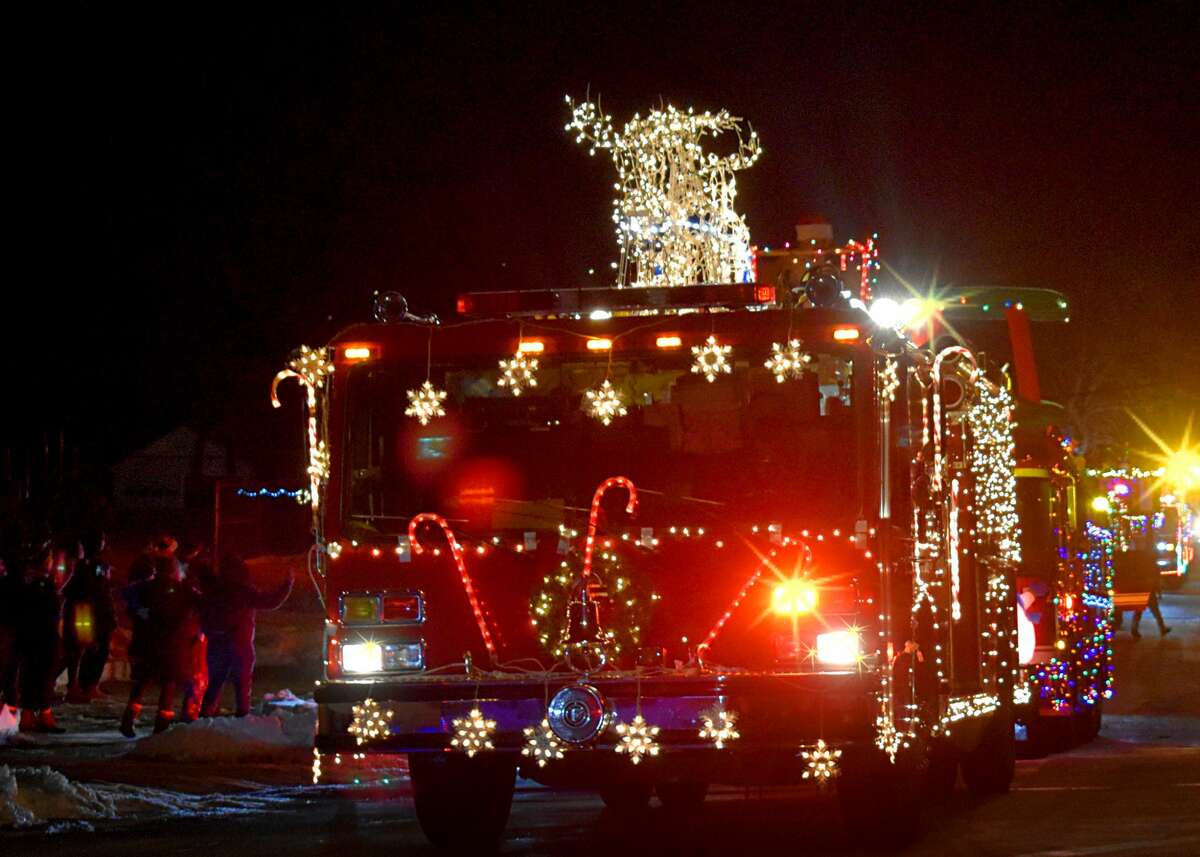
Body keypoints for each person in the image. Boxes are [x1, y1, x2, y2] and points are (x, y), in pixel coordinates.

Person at [119, 555, 204, 736]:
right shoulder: (184, 589)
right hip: (173, 646)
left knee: (142, 682)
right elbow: (202, 603)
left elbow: (126, 594)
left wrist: (138, 610)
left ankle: (128, 719)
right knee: (169, 686)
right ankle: (161, 727)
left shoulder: (145, 587)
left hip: (147, 644)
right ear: (175, 570)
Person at [200, 556, 294, 717]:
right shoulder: (244, 591)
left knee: (215, 682)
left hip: (217, 643)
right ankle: (242, 716)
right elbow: (272, 601)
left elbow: (203, 613)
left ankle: (205, 715)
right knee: (242, 684)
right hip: (240, 644)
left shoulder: (213, 590)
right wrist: (288, 584)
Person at [16, 543, 68, 733]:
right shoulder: (43, 586)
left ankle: (29, 717)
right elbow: (51, 611)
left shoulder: (27, 585)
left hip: (30, 638)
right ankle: (43, 717)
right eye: (50, 559)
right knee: (44, 677)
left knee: (31, 676)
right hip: (44, 638)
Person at [62, 531, 117, 702]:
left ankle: (82, 686)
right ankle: (78, 687)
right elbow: (99, 589)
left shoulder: (83, 565)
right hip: (86, 611)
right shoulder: (86, 566)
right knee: (82, 648)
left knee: (82, 649)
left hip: (84, 610)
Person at [0, 555, 19, 718]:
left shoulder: (11, 583)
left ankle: (10, 718)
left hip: (10, 632)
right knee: (8, 675)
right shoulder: (11, 584)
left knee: (9, 676)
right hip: (7, 633)